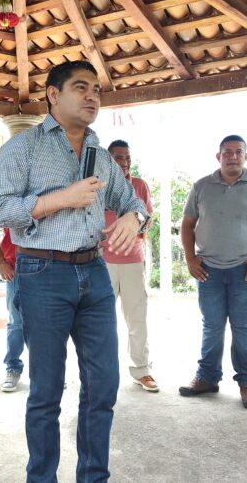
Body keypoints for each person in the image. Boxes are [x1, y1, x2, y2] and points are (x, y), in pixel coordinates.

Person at [0, 60, 148, 482]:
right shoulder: (22, 148)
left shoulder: (100, 154)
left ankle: (93, 477)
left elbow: (133, 202)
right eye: (81, 87)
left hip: (94, 271)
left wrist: (134, 218)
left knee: (103, 386)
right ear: (53, 95)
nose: (92, 95)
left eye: (96, 89)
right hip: (42, 273)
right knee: (46, 391)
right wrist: (61, 198)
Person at [179, 135, 247, 409]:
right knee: (212, 326)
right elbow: (187, 225)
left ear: (246, 156)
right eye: (227, 152)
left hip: (245, 271)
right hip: (208, 270)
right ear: (219, 156)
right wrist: (190, 259)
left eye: (238, 152)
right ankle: (207, 377)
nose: (233, 156)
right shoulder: (201, 186)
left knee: (243, 327)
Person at [102, 139, 157, 392]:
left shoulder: (139, 185)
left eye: (127, 158)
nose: (124, 162)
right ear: (108, 160)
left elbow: (148, 219)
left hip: (133, 261)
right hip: (102, 262)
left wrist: (135, 221)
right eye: (118, 157)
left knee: (137, 320)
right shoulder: (97, 184)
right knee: (101, 321)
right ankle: (103, 373)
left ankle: (142, 371)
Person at [0, 227, 24, 392]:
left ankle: (48, 372)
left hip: (48, 269)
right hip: (15, 269)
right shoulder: (10, 206)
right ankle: (13, 367)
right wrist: (0, 262)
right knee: (16, 323)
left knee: (47, 323)